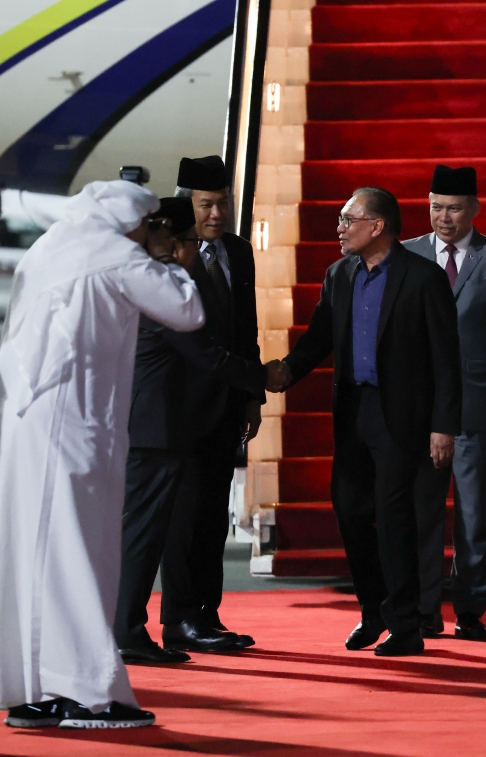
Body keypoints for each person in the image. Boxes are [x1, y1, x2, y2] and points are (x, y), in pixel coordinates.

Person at [0, 181, 204, 728]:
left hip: (28, 424)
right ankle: (86, 694)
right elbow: (186, 311)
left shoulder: (50, 247)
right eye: (149, 225)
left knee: (36, 560)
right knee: (80, 558)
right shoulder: (113, 253)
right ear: (130, 222)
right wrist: (170, 258)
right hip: (76, 431)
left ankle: (35, 690)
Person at [267, 187, 462, 656]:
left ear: (377, 226)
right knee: (351, 512)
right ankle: (372, 611)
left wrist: (443, 425)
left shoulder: (422, 278)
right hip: (353, 411)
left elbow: (446, 358)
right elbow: (319, 338)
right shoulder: (338, 276)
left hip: (401, 416)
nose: (338, 228)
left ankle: (406, 624)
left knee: (394, 516)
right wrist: (288, 371)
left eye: (346, 219)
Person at [114, 198, 269, 664]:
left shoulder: (141, 276)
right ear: (178, 242)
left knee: (146, 532)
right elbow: (206, 354)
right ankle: (126, 631)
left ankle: (131, 627)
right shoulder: (158, 284)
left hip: (155, 426)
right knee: (143, 536)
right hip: (154, 429)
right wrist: (265, 377)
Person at [404, 165, 486, 640]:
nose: (443, 217)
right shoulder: (408, 254)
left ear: (474, 209)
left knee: (476, 517)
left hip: (476, 410)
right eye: (435, 206)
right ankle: (423, 610)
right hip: (420, 410)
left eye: (453, 208)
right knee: (422, 514)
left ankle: (472, 609)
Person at [158, 156, 263, 652]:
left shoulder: (240, 253)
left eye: (223, 203)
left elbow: (248, 330)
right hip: (181, 408)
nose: (217, 214)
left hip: (226, 407)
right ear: (187, 204)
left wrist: (252, 397)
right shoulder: (167, 254)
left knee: (213, 516)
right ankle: (178, 618)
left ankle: (208, 613)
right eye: (206, 205)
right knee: (185, 516)